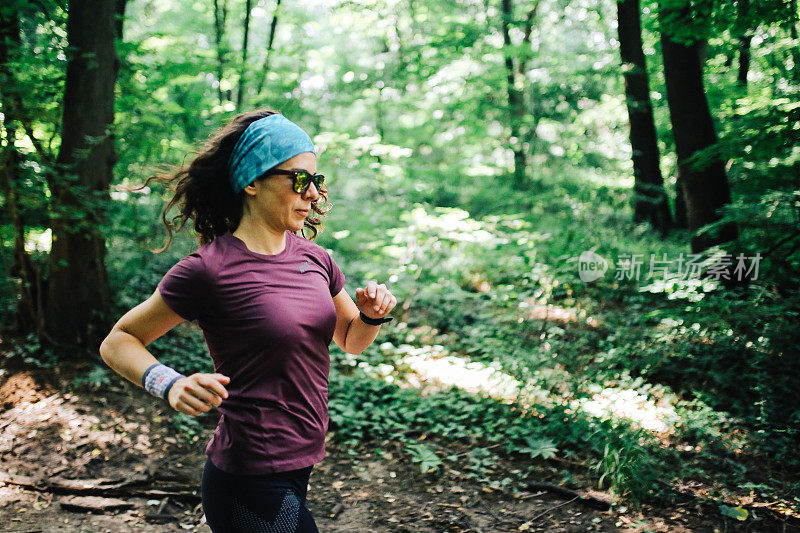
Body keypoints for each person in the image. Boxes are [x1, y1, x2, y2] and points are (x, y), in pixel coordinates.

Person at [99, 109, 397, 532]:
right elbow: (118, 340)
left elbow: (350, 339)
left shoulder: (315, 258)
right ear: (252, 182)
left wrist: (370, 316)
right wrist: (170, 383)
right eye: (299, 179)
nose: (312, 194)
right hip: (248, 473)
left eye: (317, 180)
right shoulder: (208, 269)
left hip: (300, 459)